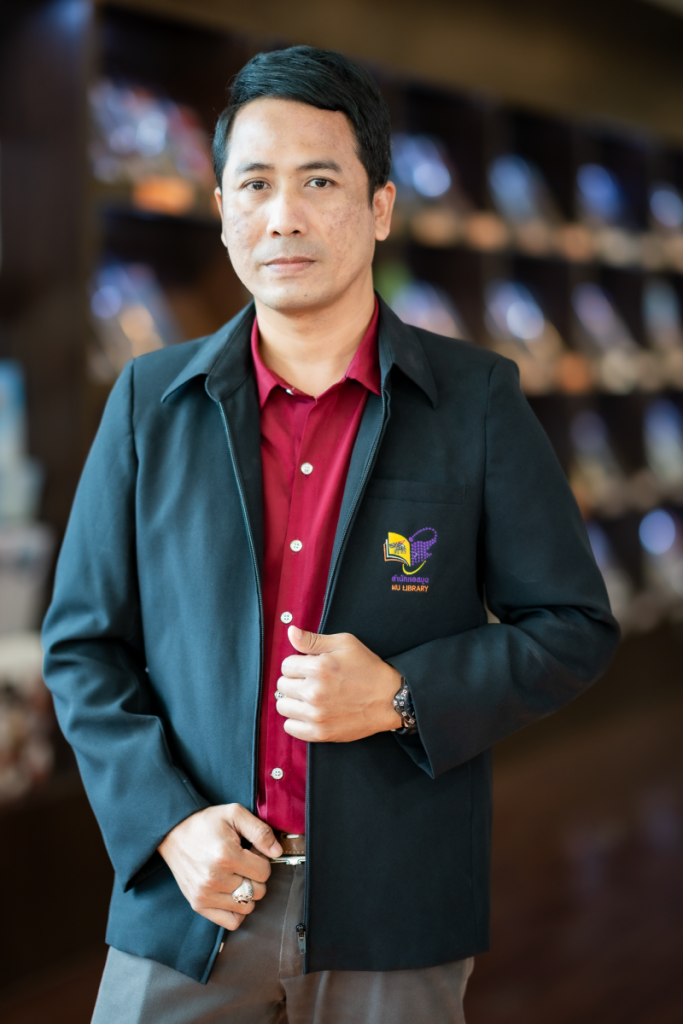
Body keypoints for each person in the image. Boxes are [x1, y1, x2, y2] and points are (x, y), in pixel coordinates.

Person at [42, 45, 620, 1024]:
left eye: (318, 181)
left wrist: (400, 696)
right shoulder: (147, 402)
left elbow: (571, 626)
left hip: (395, 901)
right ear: (220, 208)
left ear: (380, 206)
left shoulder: (475, 400)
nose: (283, 216)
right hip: (190, 896)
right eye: (253, 185)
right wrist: (168, 823)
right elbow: (81, 646)